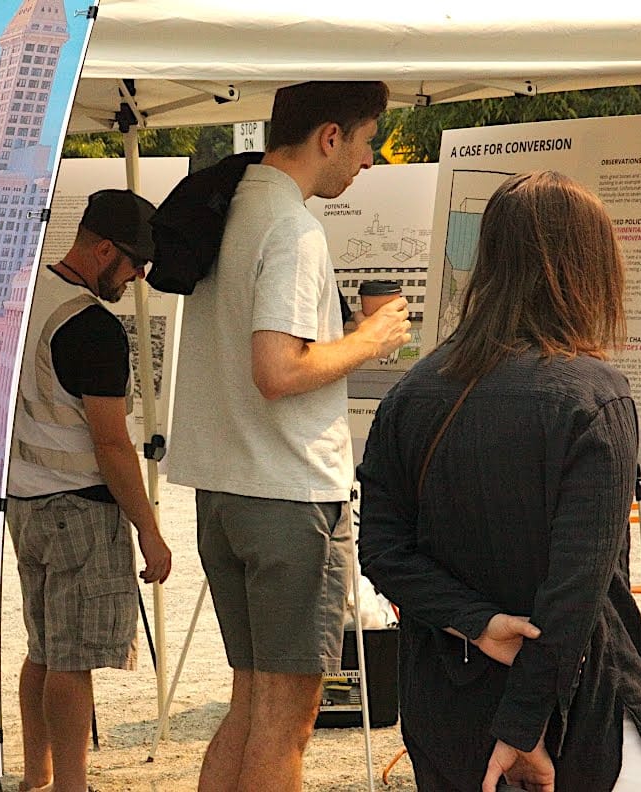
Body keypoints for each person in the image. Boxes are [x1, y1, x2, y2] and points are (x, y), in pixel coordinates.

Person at [357, 171, 641, 792]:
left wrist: (478, 621)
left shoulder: (412, 393)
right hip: (577, 709)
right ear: (590, 268)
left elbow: (382, 551)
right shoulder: (593, 396)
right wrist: (522, 727)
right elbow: (575, 592)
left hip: (448, 705)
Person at [167, 81, 411, 792]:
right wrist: (368, 340)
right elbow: (278, 368)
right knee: (286, 720)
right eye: (367, 141)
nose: (369, 160)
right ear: (329, 137)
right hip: (288, 495)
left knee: (251, 704)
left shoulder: (235, 204)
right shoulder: (293, 228)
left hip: (227, 490)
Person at [6, 189, 173, 792]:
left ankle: (37, 777)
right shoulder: (94, 328)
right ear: (103, 248)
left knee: (43, 649)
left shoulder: (27, 296)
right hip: (77, 505)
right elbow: (111, 446)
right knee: (71, 659)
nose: (137, 278)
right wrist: (150, 529)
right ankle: (72, 786)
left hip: (24, 502)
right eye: (133, 264)